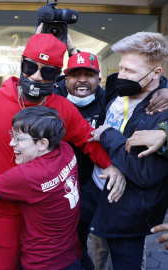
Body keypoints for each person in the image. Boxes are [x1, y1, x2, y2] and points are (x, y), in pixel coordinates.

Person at [0, 33, 126, 270]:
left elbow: (88, 139)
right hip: (6, 215)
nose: (36, 76)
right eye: (30, 66)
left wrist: (110, 164)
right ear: (21, 64)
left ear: (57, 76)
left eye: (47, 72)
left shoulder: (62, 107)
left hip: (48, 219)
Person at [87, 31, 168, 270]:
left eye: (130, 71)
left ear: (156, 73)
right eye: (121, 67)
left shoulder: (161, 112)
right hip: (98, 195)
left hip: (129, 213)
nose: (121, 75)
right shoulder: (117, 87)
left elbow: (144, 172)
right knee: (94, 255)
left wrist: (107, 135)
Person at [0, 106, 82, 269]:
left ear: (42, 144)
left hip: (42, 263)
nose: (11, 143)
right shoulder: (66, 150)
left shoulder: (28, 176)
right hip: (69, 256)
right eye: (12, 135)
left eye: (19, 139)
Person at [55, 51, 111, 270]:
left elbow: (146, 84)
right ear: (65, 79)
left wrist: (164, 89)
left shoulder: (110, 100)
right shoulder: (55, 101)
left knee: (107, 247)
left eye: (88, 74)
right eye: (75, 74)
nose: (81, 79)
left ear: (98, 78)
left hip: (100, 187)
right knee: (73, 246)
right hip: (63, 191)